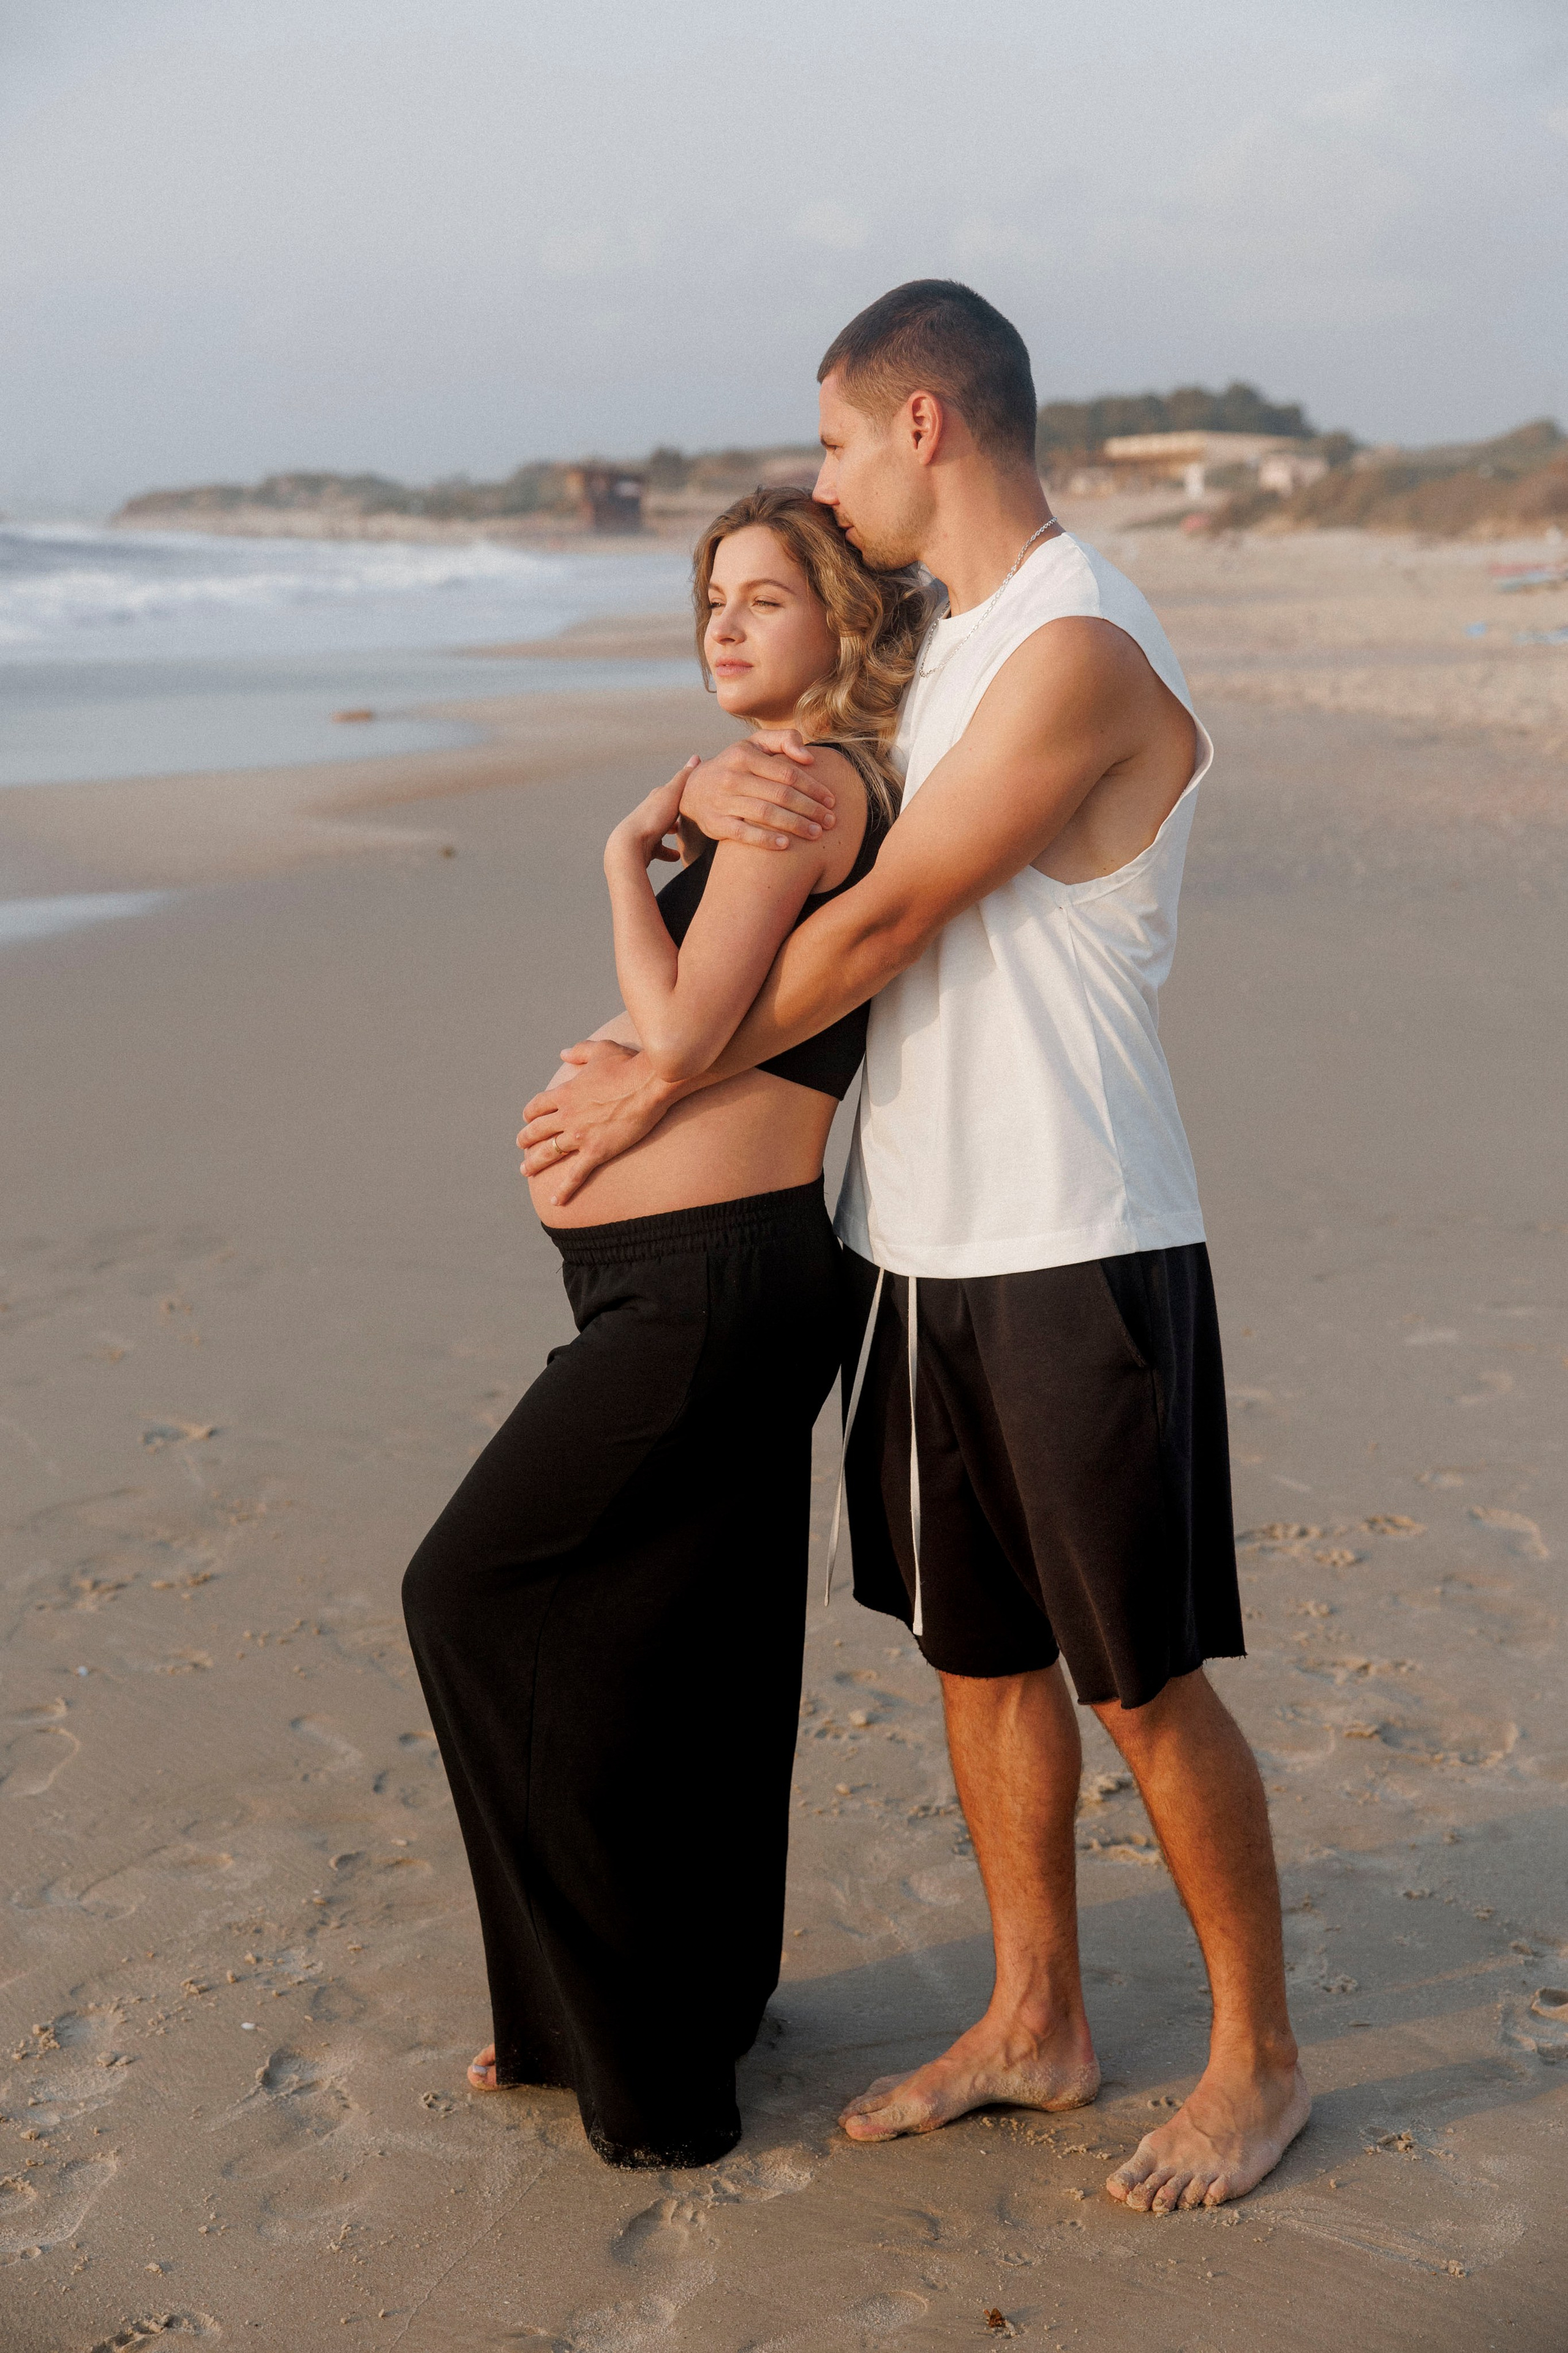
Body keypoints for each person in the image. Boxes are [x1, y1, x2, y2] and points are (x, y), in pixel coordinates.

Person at [519, 281, 1311, 2214]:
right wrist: (705, 811)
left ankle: (1260, 2060)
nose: (825, 478)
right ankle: (1037, 2013)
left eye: (840, 443)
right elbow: (825, 812)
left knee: (1138, 1676)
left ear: (928, 425)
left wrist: (655, 1070)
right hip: (917, 1236)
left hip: (1077, 1232)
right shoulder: (946, 661)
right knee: (979, 1652)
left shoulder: (1076, 649)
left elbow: (877, 935)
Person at [401, 487, 926, 2168]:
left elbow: (687, 1022)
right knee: (684, 1651)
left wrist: (623, 853)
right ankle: (655, 2014)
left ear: (843, 624)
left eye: (765, 597)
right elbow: (703, 1035)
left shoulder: (792, 786)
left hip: (708, 1285)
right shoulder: (787, 794)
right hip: (710, 1278)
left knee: (472, 1593)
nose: (723, 624)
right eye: (711, 596)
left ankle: (633, 2047)